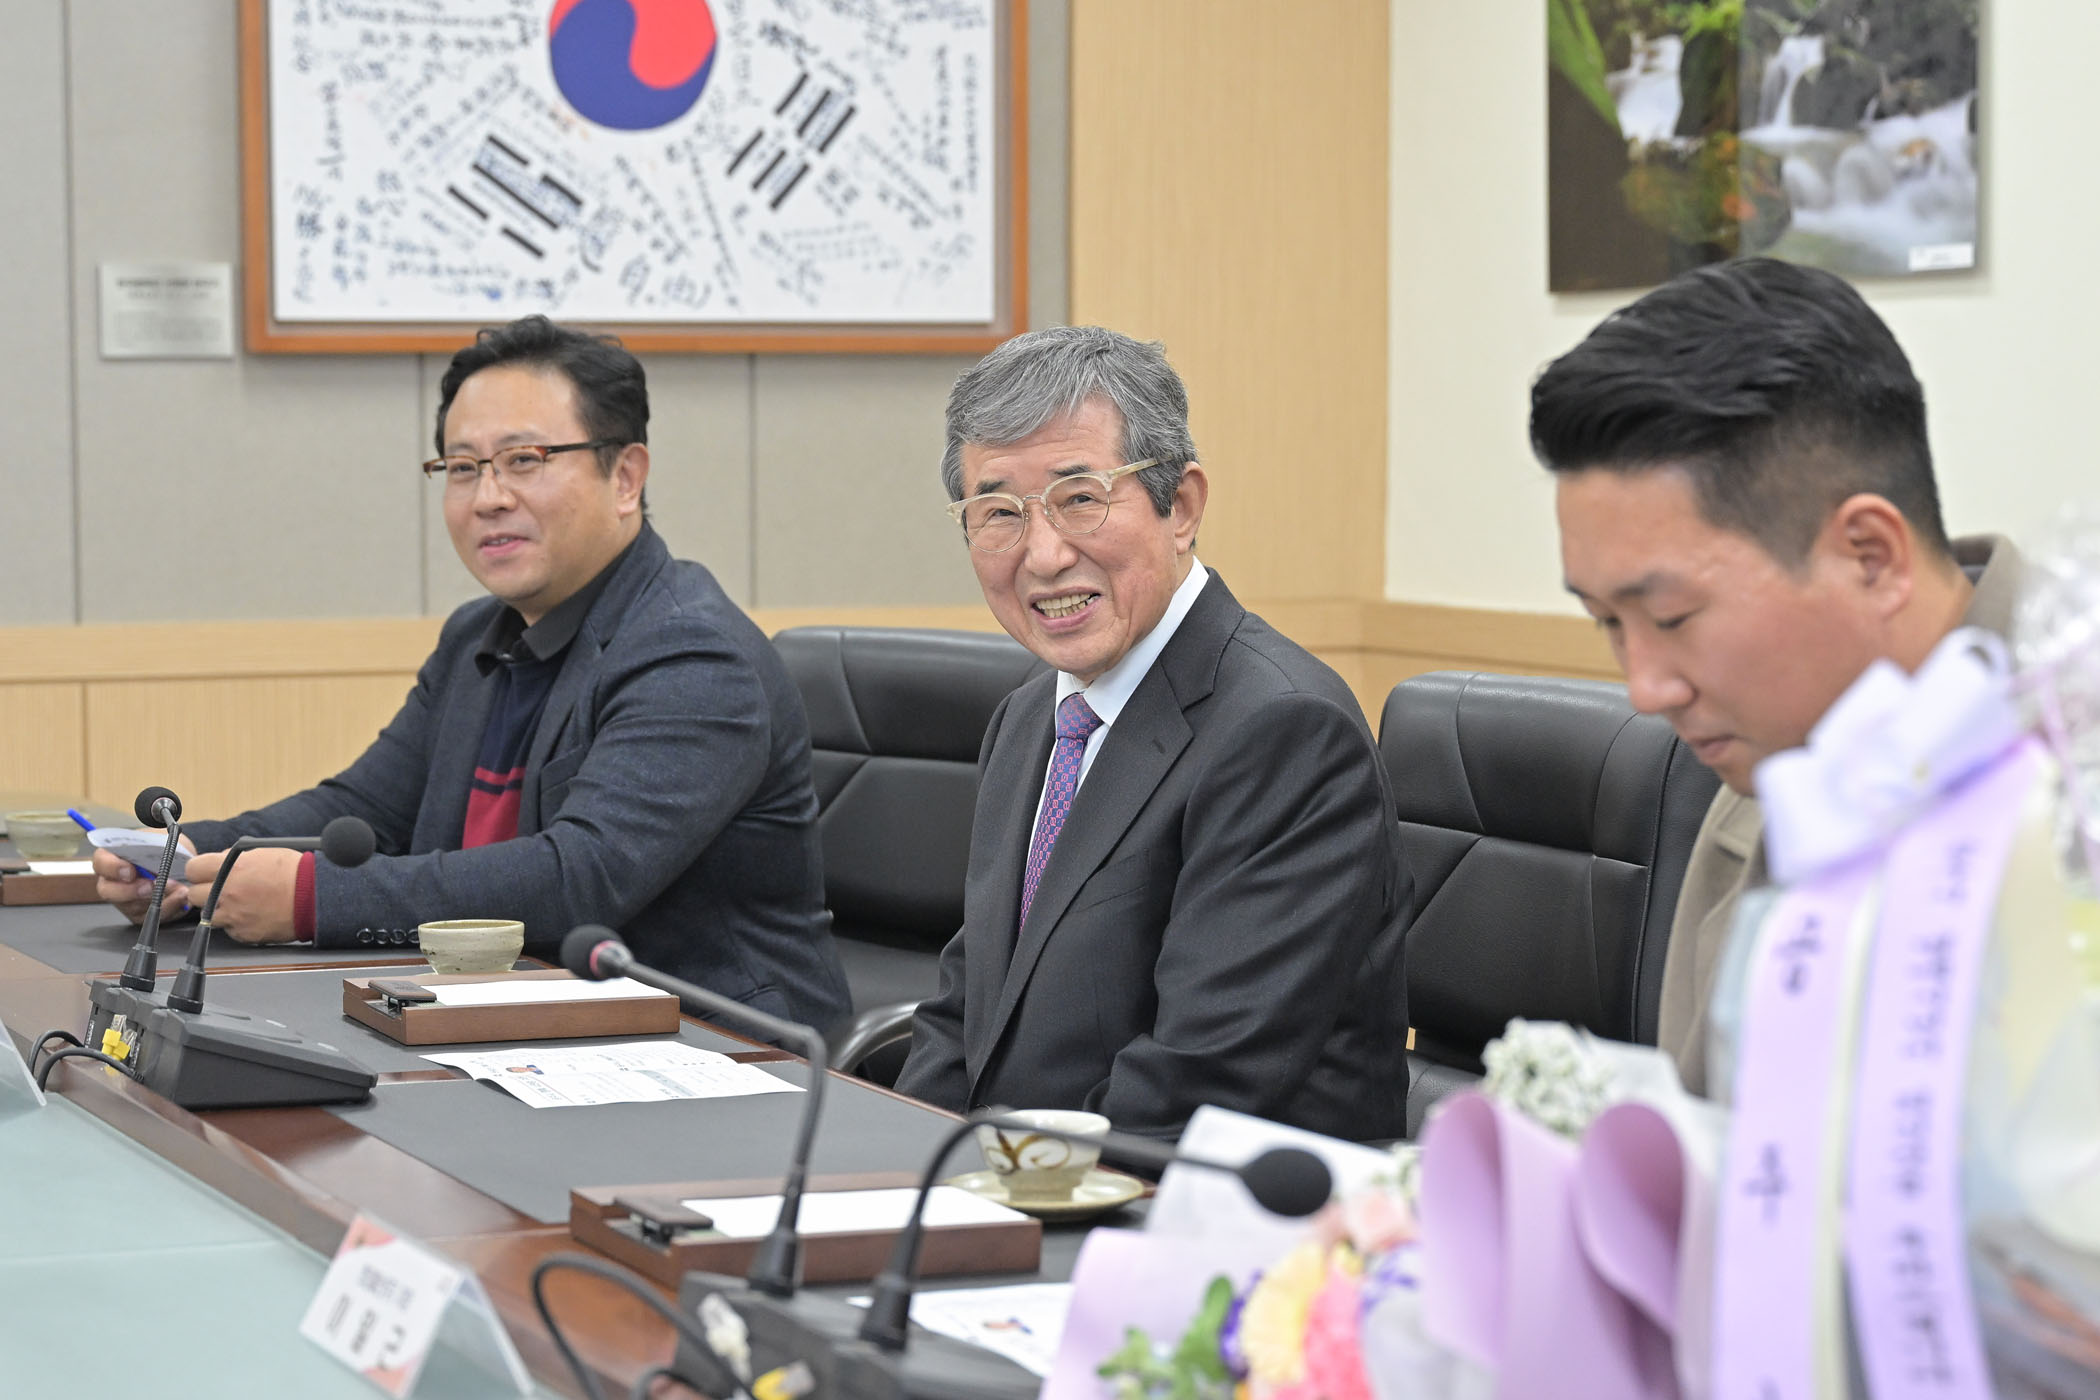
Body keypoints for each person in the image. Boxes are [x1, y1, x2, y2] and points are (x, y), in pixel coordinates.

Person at [93, 316, 850, 1030]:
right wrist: (187, 857)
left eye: (525, 461)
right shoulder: (477, 638)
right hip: (508, 1019)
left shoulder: (692, 652)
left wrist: (312, 898)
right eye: (462, 468)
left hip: (715, 1049)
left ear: (626, 477)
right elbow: (366, 809)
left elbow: (578, 879)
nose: (489, 498)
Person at [894, 325, 1410, 1142]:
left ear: (1183, 507)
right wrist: (893, 1159)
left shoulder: (1284, 732)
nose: (1043, 555)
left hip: (1185, 1201)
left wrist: (982, 1183)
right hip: (1019, 1180)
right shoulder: (1030, 716)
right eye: (998, 513)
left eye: (1080, 499)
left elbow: (1199, 1081)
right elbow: (969, 1013)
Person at [1530, 257, 2020, 1096]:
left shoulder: (2068, 772)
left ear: (1870, 556)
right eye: (1608, 622)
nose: (1646, 690)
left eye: (1673, 617)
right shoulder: (1765, 777)